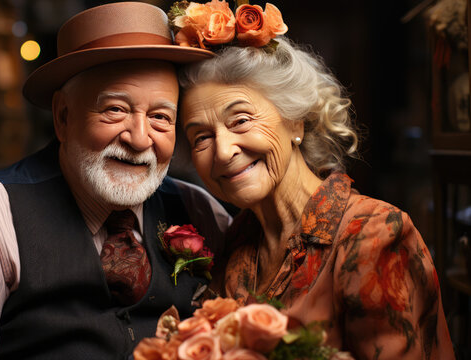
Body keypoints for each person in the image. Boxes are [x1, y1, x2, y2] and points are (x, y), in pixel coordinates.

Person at [0, 2, 232, 359]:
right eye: (115, 110)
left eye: (160, 117)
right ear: (63, 117)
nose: (139, 139)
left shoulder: (198, 209)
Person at [177, 32, 455, 360]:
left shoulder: (374, 235)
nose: (223, 152)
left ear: (295, 122)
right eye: (201, 138)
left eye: (240, 120)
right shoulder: (237, 237)